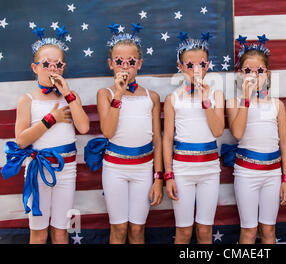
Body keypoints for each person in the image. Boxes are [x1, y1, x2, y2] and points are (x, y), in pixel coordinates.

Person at [1, 25, 90, 244]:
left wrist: (68, 94)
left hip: (66, 171)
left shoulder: (70, 96)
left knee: (60, 231)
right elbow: (21, 140)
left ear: (63, 67)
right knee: (39, 233)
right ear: (35, 67)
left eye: (57, 64)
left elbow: (84, 127)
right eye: (46, 64)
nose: (52, 68)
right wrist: (51, 119)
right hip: (38, 169)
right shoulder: (27, 100)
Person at [84, 23, 163, 244]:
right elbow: (108, 131)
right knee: (118, 229)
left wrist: (158, 178)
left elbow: (157, 139)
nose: (125, 66)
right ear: (111, 64)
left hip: (144, 169)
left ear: (139, 64)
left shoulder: (152, 96)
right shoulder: (105, 94)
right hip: (115, 169)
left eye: (130, 62)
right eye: (119, 62)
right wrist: (118, 92)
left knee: (137, 229)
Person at [222, 34, 286, 244]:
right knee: (249, 231)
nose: (254, 75)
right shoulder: (234, 102)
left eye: (259, 71)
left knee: (269, 230)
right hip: (247, 173)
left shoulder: (276, 105)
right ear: (240, 74)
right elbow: (237, 133)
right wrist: (246, 98)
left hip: (272, 173)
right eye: (248, 71)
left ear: (267, 74)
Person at [163, 32, 225, 244]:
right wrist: (168, 174)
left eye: (201, 65)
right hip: (182, 170)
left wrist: (205, 100)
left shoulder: (216, 96)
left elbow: (217, 131)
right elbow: (167, 138)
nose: (196, 70)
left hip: (209, 170)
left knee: (205, 231)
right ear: (180, 67)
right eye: (190, 65)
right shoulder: (172, 99)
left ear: (208, 66)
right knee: (184, 232)